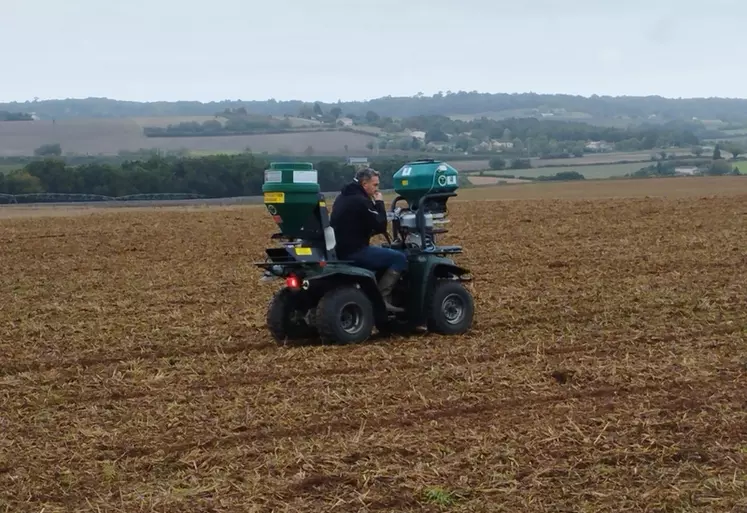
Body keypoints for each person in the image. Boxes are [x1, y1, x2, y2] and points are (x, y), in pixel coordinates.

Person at [330, 167, 407, 312]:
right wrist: (379, 203)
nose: (377, 189)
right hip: (355, 251)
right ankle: (382, 299)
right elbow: (381, 225)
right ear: (364, 184)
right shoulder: (361, 200)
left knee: (382, 250)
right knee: (399, 258)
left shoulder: (342, 197)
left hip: (339, 248)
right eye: (375, 185)